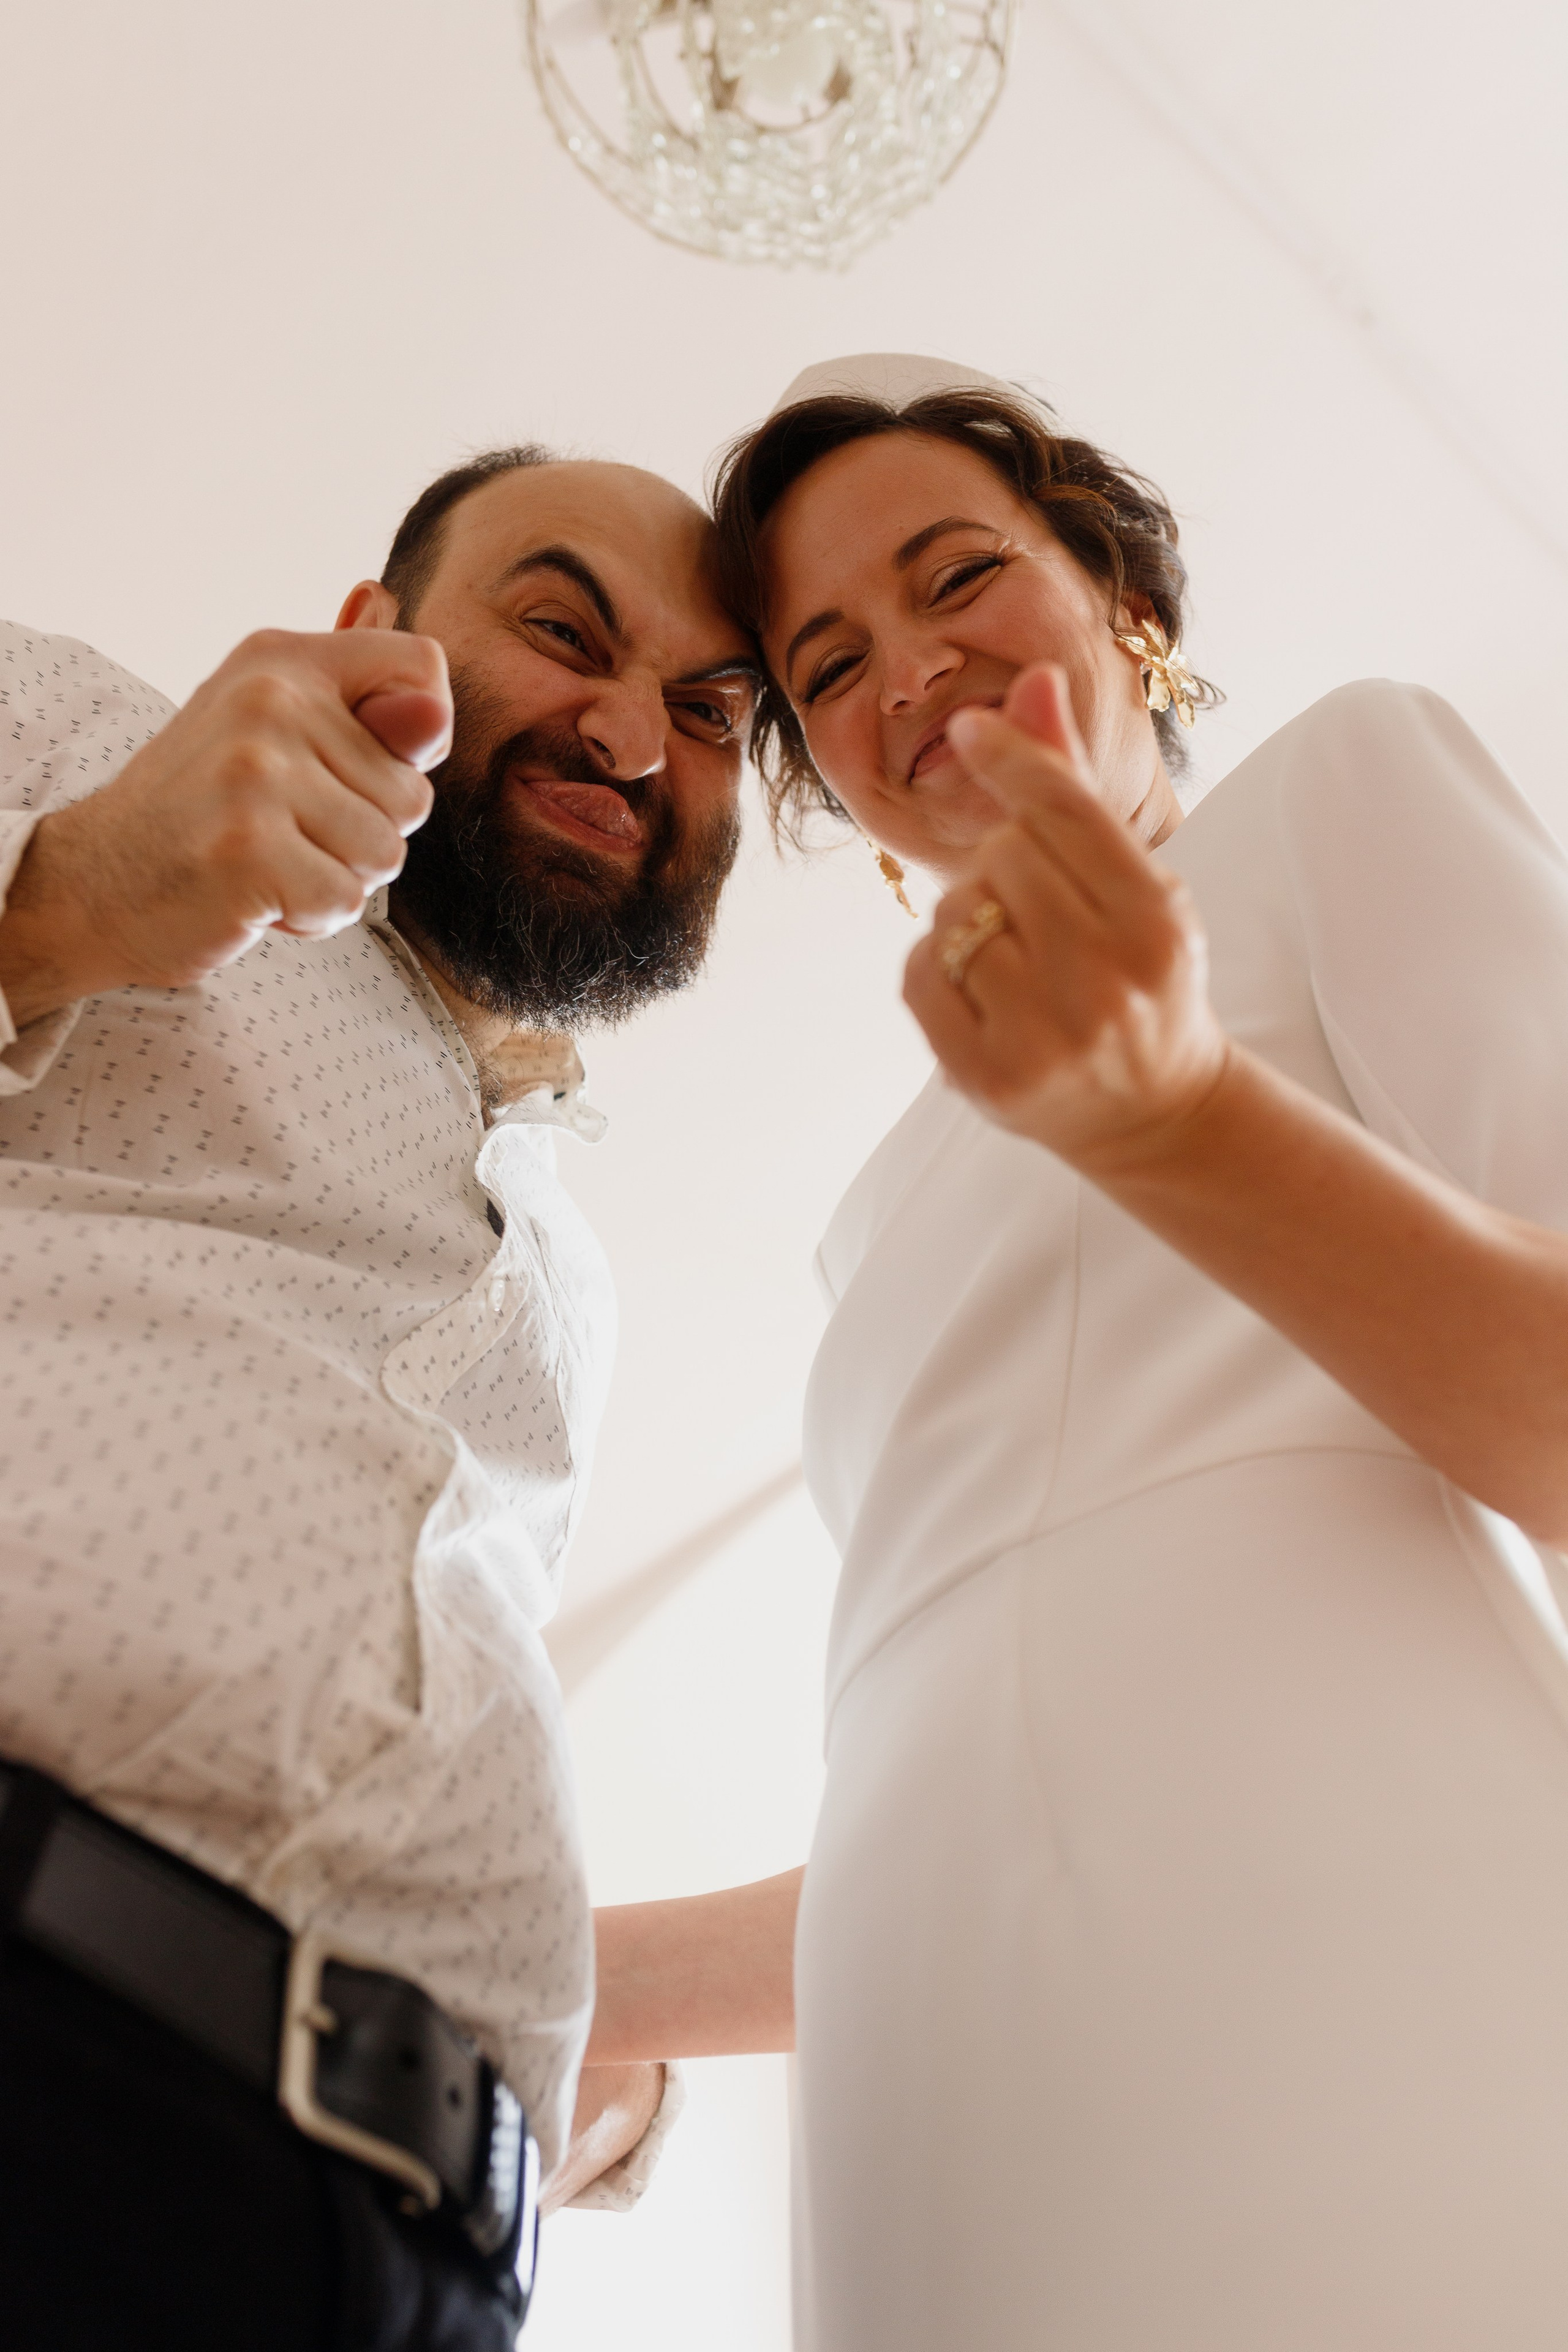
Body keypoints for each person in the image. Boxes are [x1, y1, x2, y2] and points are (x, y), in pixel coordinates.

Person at [692, 352, 1568, 2350]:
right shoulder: (871, 1216)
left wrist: (1175, 1119)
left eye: (953, 577)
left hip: (1370, 1923)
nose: (902, 671)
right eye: (825, 666)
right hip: (931, 2088)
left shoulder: (1338, 788)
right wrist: (556, 1979)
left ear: (1131, 614)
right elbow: (986, 1715)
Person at [0, 443, 764, 2348]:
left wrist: (565, 2047)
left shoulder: (571, 1296)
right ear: (371, 634)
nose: (629, 735)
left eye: (708, 711)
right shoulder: (77, 727)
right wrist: (65, 897)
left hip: (400, 2271)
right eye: (560, 629)